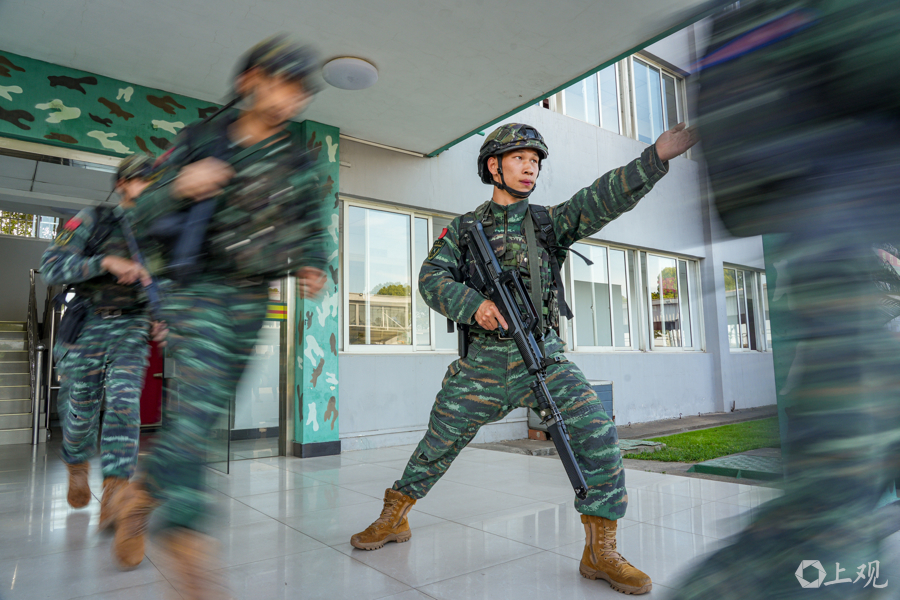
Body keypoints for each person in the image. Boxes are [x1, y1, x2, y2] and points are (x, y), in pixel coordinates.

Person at [350, 121, 697, 595]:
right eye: (519, 158)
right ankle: (394, 517)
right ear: (493, 167)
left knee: (597, 434)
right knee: (438, 442)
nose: (530, 167)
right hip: (484, 363)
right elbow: (431, 279)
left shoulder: (549, 223)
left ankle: (601, 551)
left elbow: (602, 198)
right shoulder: (464, 230)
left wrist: (656, 157)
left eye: (535, 160)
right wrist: (475, 305)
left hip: (543, 355)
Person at [669, 0, 900, 598]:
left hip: (839, 207)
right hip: (836, 213)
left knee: (840, 495)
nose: (528, 168)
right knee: (832, 509)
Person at [111, 35, 329, 596]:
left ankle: (143, 492)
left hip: (254, 298)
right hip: (198, 288)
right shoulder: (202, 138)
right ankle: (188, 541)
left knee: (201, 417)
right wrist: (181, 186)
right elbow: (142, 212)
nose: (293, 99)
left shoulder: (298, 157)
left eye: (302, 91)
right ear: (250, 80)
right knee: (197, 410)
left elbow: (312, 223)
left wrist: (315, 262)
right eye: (283, 84)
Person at [41, 154, 155, 530]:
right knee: (80, 411)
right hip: (87, 323)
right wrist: (104, 262)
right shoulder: (95, 219)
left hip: (131, 326)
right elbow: (52, 266)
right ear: (122, 183)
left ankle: (115, 493)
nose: (151, 187)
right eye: (143, 179)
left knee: (124, 402)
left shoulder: (160, 232)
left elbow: (172, 282)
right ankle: (76, 462)